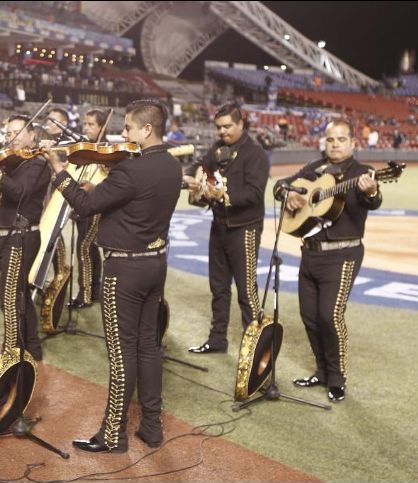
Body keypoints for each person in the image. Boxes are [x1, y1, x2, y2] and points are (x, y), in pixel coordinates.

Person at [43, 99, 181, 452]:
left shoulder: (131, 170)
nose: (123, 134)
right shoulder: (171, 165)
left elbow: (86, 207)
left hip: (125, 268)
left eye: (129, 128)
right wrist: (100, 188)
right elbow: (125, 200)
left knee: (121, 353)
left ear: (146, 129)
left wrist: (59, 172)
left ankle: (112, 434)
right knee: (149, 347)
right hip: (155, 263)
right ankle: (151, 426)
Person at [274, 119, 381, 402]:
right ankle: (321, 371)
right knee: (309, 317)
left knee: (329, 316)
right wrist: (290, 196)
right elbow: (280, 186)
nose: (335, 144)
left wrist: (371, 192)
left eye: (341, 139)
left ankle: (337, 378)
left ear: (353, 143)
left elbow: (374, 199)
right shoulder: (315, 168)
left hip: (343, 254)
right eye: (331, 140)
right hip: (310, 252)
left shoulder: (361, 173)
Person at [184, 103, 269, 354]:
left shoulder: (256, 154)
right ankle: (217, 339)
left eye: (228, 126)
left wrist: (222, 195)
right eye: (219, 127)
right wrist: (194, 176)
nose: (222, 132)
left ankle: (254, 348)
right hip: (219, 226)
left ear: (241, 124)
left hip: (245, 229)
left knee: (246, 291)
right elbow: (200, 164)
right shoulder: (218, 149)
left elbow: (254, 194)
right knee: (218, 288)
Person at [0, 115, 49, 361]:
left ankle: (11, 353)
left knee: (8, 297)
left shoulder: (38, 162)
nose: (12, 139)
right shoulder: (13, 161)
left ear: (32, 136)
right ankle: (32, 347)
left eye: (18, 133)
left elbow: (19, 192)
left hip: (22, 236)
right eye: (9, 134)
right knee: (20, 293)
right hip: (10, 236)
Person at [69, 108, 106, 309]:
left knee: (83, 248)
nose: (86, 128)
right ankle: (95, 289)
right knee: (90, 249)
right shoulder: (87, 147)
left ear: (102, 127)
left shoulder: (106, 149)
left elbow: (112, 181)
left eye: (91, 124)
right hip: (84, 205)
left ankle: (84, 294)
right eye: (85, 124)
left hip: (95, 207)